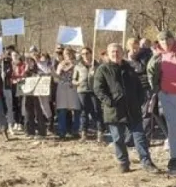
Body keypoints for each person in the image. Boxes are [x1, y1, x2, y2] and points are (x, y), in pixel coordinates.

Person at [95, 43, 158, 174]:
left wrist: (139, 100)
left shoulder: (129, 67)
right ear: (108, 53)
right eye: (113, 51)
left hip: (132, 109)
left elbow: (139, 86)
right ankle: (123, 162)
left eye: (118, 51)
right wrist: (109, 101)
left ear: (122, 52)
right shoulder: (103, 69)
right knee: (118, 139)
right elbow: (98, 89)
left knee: (139, 137)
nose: (115, 54)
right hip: (114, 110)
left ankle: (146, 162)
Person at [148, 30, 176, 175]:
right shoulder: (157, 57)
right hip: (166, 95)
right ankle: (174, 158)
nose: (166, 43)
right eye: (163, 41)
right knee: (173, 127)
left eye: (168, 39)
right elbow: (151, 74)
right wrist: (156, 90)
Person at [73, 47, 103, 142]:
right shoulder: (78, 66)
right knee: (83, 112)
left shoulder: (97, 65)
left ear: (91, 53)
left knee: (96, 111)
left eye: (87, 53)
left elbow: (101, 78)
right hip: (82, 90)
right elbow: (74, 79)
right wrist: (77, 83)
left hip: (94, 90)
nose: (85, 55)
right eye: (83, 54)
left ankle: (100, 133)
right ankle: (83, 134)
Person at [55, 48, 81, 139]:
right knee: (62, 110)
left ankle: (75, 130)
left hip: (74, 87)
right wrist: (54, 73)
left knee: (77, 110)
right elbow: (57, 77)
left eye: (69, 53)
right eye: (66, 53)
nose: (68, 55)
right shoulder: (61, 64)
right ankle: (62, 131)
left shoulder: (78, 63)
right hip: (62, 88)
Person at [22, 57, 47, 139]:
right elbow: (21, 79)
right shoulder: (26, 71)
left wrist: (38, 75)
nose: (29, 63)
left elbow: (44, 75)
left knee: (38, 112)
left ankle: (41, 132)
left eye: (30, 61)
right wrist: (25, 72)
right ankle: (29, 131)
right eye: (27, 62)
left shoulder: (38, 70)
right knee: (28, 112)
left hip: (37, 94)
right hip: (28, 94)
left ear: (34, 62)